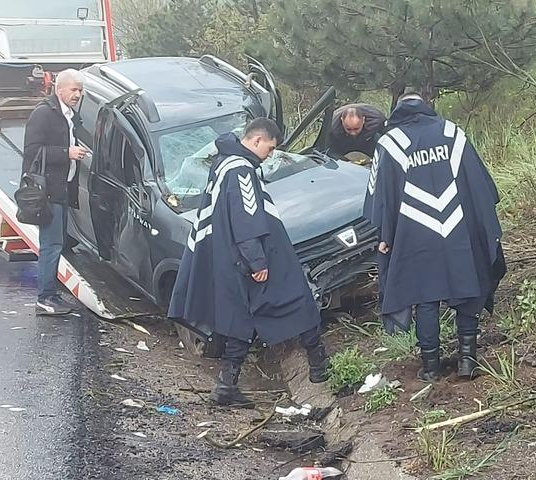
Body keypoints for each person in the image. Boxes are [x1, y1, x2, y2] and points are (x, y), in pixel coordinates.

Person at [168, 118, 330, 408]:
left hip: (229, 258)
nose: (270, 155)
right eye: (270, 147)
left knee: (239, 318)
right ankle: (319, 365)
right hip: (254, 254)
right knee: (296, 298)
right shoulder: (241, 171)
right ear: (257, 141)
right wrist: (257, 261)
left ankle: (226, 386)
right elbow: (246, 219)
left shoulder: (223, 163)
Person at [367, 93, 507, 382]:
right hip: (458, 228)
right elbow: (480, 185)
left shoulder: (389, 143)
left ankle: (430, 367)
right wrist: (483, 228)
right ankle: (468, 360)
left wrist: (385, 235)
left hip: (414, 233)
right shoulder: (452, 133)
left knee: (425, 297)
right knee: (467, 288)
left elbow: (382, 197)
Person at [22, 69, 87, 316]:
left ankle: (51, 294)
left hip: (62, 189)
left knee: (58, 244)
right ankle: (44, 298)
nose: (77, 94)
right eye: (73, 90)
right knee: (51, 244)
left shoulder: (70, 115)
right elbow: (31, 151)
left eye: (80, 90)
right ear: (59, 89)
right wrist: (66, 153)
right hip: (46, 191)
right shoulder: (44, 114)